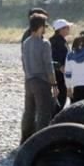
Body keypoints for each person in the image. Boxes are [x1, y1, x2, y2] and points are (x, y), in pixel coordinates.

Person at [20, 15, 59, 144]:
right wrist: (54, 84)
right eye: (44, 27)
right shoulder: (44, 43)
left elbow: (24, 63)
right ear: (40, 27)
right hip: (42, 82)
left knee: (29, 112)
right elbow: (48, 65)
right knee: (43, 114)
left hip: (29, 81)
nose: (45, 29)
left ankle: (25, 140)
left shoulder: (26, 42)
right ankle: (39, 143)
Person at [49, 18, 72, 112]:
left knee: (62, 97)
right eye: (67, 27)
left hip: (61, 73)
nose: (69, 29)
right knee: (60, 97)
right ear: (61, 29)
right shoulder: (55, 41)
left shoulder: (61, 40)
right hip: (58, 74)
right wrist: (60, 67)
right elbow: (52, 57)